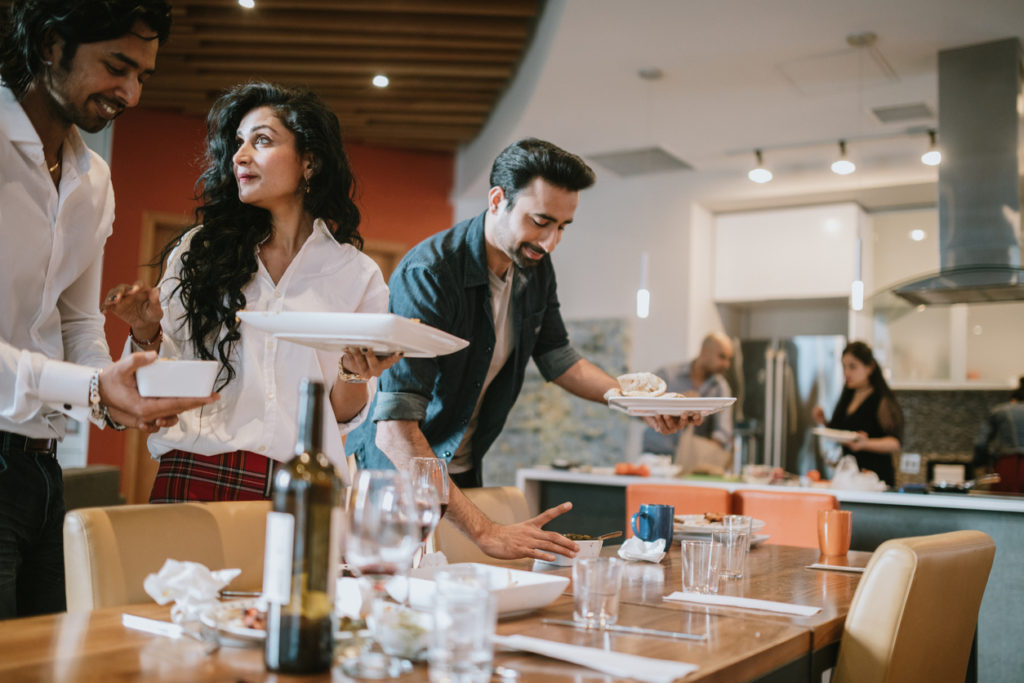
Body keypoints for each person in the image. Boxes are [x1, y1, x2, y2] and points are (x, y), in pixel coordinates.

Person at [347, 138, 692, 562]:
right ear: (497, 200)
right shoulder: (431, 273)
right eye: (540, 221)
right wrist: (488, 532)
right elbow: (395, 429)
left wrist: (634, 402)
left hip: (458, 474)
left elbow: (559, 358)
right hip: (393, 480)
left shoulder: (535, 269)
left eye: (563, 227)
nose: (550, 242)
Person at [0, 0, 220, 620]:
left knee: (50, 660)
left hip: (40, 471)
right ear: (50, 44)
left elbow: (76, 323)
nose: (129, 93)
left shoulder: (93, 179)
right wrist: (94, 388)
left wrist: (118, 389)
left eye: (143, 76)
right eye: (116, 67)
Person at [104, 82, 401, 502]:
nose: (241, 156)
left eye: (262, 140)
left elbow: (340, 416)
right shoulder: (199, 251)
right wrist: (145, 331)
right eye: (238, 142)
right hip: (196, 475)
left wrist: (353, 371)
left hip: (305, 486)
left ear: (309, 162)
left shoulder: (357, 273)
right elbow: (155, 390)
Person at [813, 341, 903, 487]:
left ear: (870, 367)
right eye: (844, 367)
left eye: (852, 367)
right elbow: (841, 431)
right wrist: (824, 421)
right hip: (850, 478)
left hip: (876, 479)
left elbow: (895, 443)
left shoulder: (881, 399)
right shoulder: (848, 395)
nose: (846, 373)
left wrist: (865, 444)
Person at [642, 332, 735, 457]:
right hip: (655, 455)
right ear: (705, 352)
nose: (726, 365)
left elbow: (723, 431)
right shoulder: (668, 375)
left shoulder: (720, 388)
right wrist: (673, 406)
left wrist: (703, 455)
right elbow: (638, 407)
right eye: (722, 357)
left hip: (692, 460)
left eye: (729, 359)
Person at [973, 377, 1024, 493]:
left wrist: (980, 464)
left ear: (1014, 399)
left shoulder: (1001, 411)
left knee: (1005, 504)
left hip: (1009, 465)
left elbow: (980, 443)